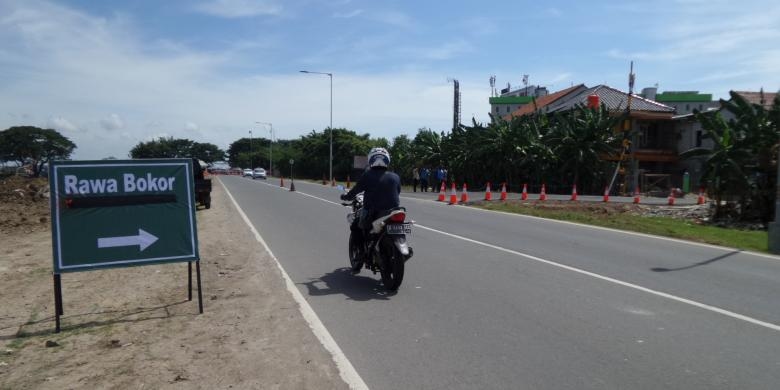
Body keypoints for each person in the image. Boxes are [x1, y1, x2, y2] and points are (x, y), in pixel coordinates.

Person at [341, 147, 401, 273]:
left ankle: (360, 253)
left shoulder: (368, 175)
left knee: (355, 226)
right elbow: (398, 192)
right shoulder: (395, 176)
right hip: (393, 212)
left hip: (373, 212)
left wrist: (346, 196)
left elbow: (355, 190)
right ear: (387, 160)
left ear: (371, 159)